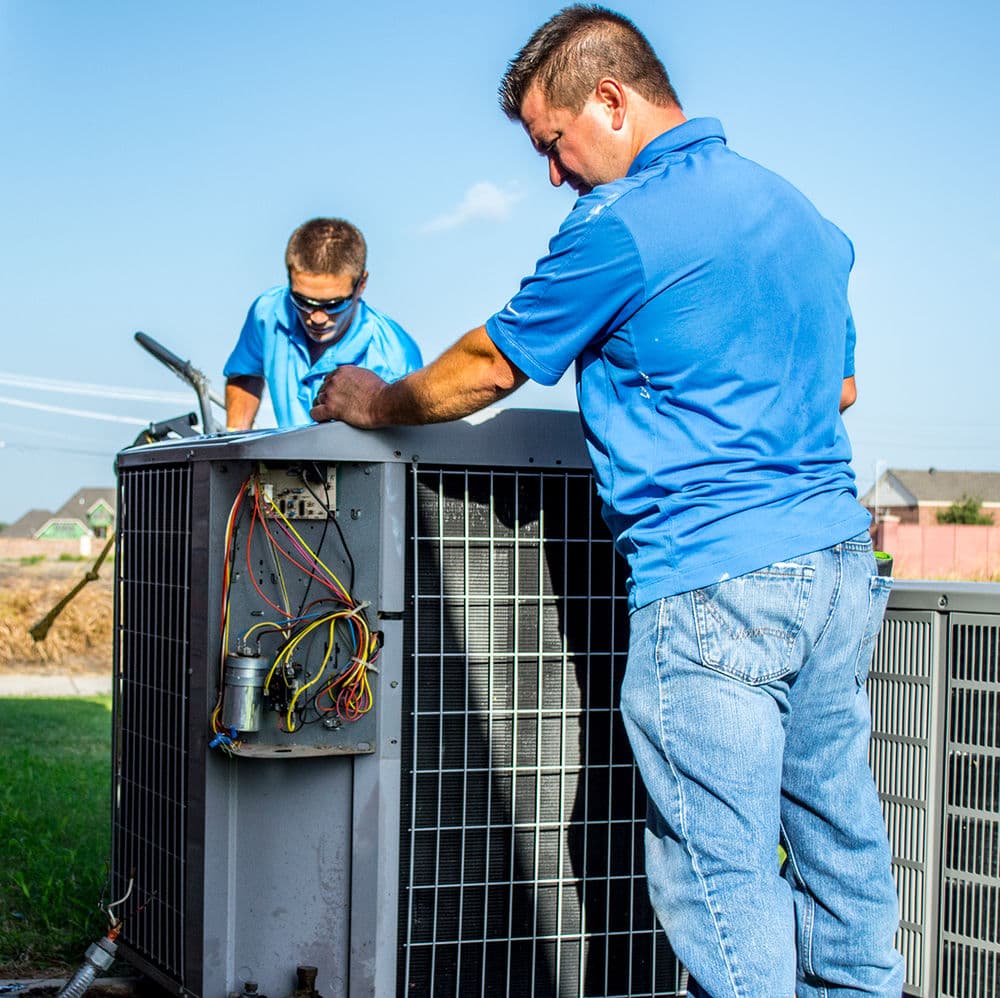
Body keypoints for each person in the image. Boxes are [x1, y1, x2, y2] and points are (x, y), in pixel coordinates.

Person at [311, 7, 903, 996]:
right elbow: (838, 388)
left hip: (714, 583)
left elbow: (491, 364)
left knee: (722, 875)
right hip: (837, 570)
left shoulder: (621, 223)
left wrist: (378, 401)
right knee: (842, 845)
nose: (554, 171)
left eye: (553, 142)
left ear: (613, 100)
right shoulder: (799, 212)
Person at [223, 217, 422, 430]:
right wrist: (235, 443)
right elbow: (245, 374)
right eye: (303, 301)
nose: (317, 318)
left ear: (361, 284)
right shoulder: (266, 311)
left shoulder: (398, 357)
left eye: (333, 304)